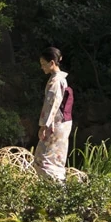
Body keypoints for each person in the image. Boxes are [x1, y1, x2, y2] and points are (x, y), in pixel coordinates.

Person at [34, 47, 72, 182]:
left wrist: (44, 126)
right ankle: (56, 189)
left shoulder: (56, 81)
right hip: (62, 122)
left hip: (55, 124)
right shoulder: (59, 78)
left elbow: (52, 105)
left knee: (44, 158)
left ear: (52, 63)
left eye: (43, 64)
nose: (42, 67)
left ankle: (52, 189)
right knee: (54, 158)